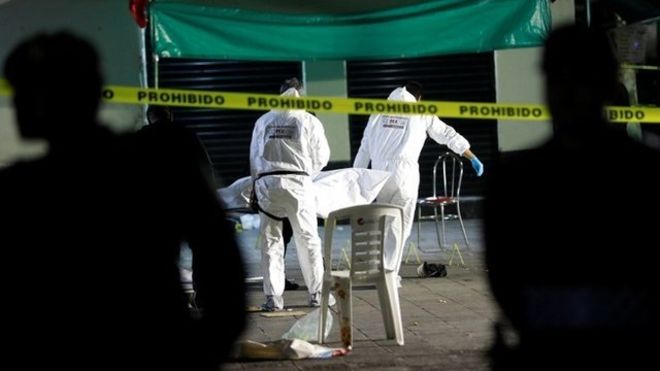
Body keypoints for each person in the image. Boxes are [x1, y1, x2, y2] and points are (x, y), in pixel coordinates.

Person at [0, 31, 246, 371]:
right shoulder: (157, 165)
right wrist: (204, 347)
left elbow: (219, 261)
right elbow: (222, 264)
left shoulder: (21, 190)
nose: (16, 104)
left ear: (47, 96)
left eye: (23, 90)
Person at [484, 24, 660, 370]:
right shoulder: (647, 174)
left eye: (579, 79)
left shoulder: (516, 180)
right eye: (559, 78)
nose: (568, 92)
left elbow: (507, 282)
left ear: (607, 85)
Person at [353, 81, 484, 279]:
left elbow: (364, 147)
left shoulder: (378, 113)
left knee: (385, 223)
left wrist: (356, 177)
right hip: (404, 175)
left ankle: (383, 270)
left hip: (379, 176)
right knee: (400, 226)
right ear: (419, 98)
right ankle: (389, 275)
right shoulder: (421, 112)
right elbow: (447, 135)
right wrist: (471, 156)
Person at [250, 77, 330, 311]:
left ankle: (273, 298)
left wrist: (257, 184)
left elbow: (255, 158)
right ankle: (316, 294)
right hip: (298, 185)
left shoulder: (264, 120)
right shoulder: (309, 120)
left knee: (271, 242)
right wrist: (307, 173)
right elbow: (322, 156)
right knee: (308, 240)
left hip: (268, 185)